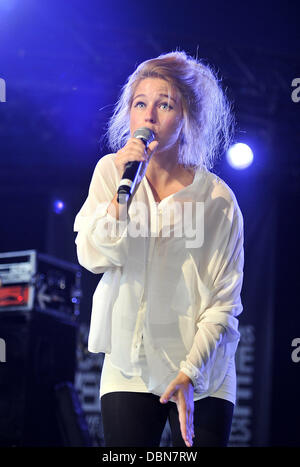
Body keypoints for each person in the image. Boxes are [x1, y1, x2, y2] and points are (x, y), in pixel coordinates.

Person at [73, 50, 244, 448]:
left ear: (187, 119)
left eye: (164, 105)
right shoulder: (110, 172)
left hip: (202, 370)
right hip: (129, 364)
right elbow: (93, 256)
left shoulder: (217, 200)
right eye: (140, 104)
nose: (149, 117)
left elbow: (223, 303)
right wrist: (121, 199)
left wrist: (189, 374)